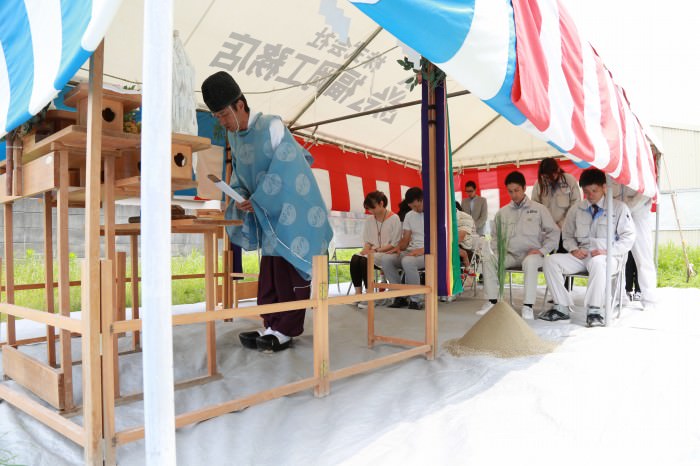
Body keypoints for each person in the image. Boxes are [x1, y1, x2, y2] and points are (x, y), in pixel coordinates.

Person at [202, 71, 333, 352]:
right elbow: (239, 173)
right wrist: (241, 196)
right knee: (271, 272)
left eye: (224, 114)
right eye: (218, 118)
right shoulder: (233, 136)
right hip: (268, 212)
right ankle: (271, 324)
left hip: (297, 212)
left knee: (291, 271)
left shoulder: (272, 125)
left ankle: (285, 331)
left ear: (240, 104)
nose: (223, 122)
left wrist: (258, 197)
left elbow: (289, 168)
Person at [541, 168, 636, 327]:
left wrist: (607, 251)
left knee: (598, 263)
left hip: (609, 258)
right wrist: (572, 249)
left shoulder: (619, 208)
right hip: (583, 255)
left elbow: (628, 238)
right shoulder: (576, 209)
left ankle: (594, 310)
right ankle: (561, 307)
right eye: (586, 191)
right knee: (551, 261)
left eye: (594, 190)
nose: (590, 195)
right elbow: (567, 235)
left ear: (604, 187)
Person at [477, 171, 559, 320]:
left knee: (530, 261)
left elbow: (554, 233)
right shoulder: (502, 213)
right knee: (488, 258)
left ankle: (528, 306)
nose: (513, 194)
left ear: (524, 188)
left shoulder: (539, 209)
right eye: (510, 191)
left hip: (533, 255)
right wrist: (497, 251)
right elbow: (494, 236)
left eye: (517, 190)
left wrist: (542, 250)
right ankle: (492, 301)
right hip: (511, 255)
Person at [350, 191, 402, 308]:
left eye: (372, 208)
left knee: (365, 260)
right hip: (373, 252)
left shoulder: (394, 218)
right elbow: (367, 241)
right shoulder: (369, 220)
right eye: (368, 209)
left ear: (381, 203)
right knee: (355, 258)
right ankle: (358, 294)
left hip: (387, 253)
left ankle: (369, 296)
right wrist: (365, 250)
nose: (370, 211)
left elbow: (394, 244)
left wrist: (374, 251)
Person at [611, 181, 657, 310]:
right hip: (617, 215)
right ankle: (619, 297)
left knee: (643, 258)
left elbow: (647, 191)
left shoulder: (640, 165)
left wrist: (624, 207)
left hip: (639, 215)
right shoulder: (613, 167)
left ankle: (649, 299)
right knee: (616, 256)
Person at [380, 187, 425, 310]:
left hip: (430, 252)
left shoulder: (435, 212)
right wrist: (398, 248)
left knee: (408, 261)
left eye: (417, 206)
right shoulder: (410, 215)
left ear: (422, 200)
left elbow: (440, 240)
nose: (415, 210)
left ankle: (416, 299)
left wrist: (422, 250)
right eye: (412, 207)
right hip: (413, 251)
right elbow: (406, 238)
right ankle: (400, 295)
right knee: (386, 259)